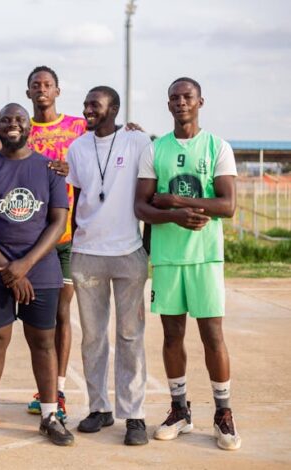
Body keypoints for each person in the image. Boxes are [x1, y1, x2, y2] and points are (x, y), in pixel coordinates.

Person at [0, 103, 74, 446]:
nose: (12, 125)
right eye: (6, 119)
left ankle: (51, 414)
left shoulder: (49, 168)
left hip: (40, 270)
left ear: (29, 127)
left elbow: (58, 222)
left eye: (19, 119)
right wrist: (7, 269)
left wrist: (24, 266)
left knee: (43, 342)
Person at [134, 77, 241, 451]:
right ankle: (180, 410)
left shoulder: (217, 146)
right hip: (166, 257)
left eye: (188, 97)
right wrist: (172, 216)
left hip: (205, 257)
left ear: (200, 102)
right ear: (168, 105)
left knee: (213, 336)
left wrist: (173, 202)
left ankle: (223, 414)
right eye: (175, 98)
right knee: (172, 336)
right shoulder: (155, 149)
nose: (181, 102)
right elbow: (141, 206)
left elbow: (227, 206)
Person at [65, 86, 151, 445]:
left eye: (95, 105)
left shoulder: (137, 141)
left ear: (113, 109)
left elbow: (148, 189)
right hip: (87, 252)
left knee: (130, 337)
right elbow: (76, 201)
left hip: (128, 251)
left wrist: (146, 251)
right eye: (85, 104)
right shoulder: (77, 147)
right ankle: (99, 408)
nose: (87, 110)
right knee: (93, 337)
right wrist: (73, 242)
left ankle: (135, 416)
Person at [24, 65, 87, 419]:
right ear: (28, 92)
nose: (42, 90)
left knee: (62, 312)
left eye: (48, 85)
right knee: (38, 318)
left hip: (67, 235)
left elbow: (107, 144)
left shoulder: (79, 127)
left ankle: (57, 390)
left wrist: (133, 131)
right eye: (36, 85)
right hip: (33, 237)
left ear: (58, 91)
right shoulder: (20, 128)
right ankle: (45, 386)